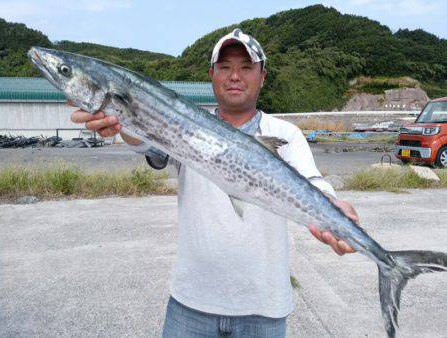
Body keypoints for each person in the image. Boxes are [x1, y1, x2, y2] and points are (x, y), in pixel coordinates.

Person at [70, 28, 358, 338]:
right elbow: (148, 143)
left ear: (262, 76)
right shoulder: (183, 123)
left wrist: (332, 203)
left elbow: (312, 180)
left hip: (264, 307)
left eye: (246, 67)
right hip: (192, 302)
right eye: (225, 67)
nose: (235, 76)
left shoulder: (286, 134)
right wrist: (118, 122)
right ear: (212, 74)